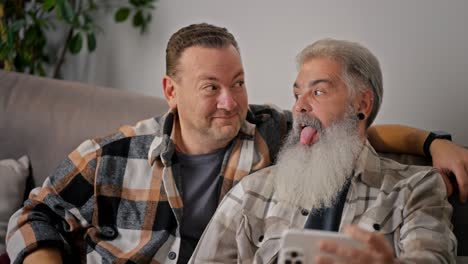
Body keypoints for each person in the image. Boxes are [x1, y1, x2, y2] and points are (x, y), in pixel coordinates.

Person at [6, 24, 464, 264]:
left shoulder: (269, 136)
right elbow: (35, 214)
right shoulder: (113, 155)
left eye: (239, 83)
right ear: (171, 91)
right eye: (211, 87)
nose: (231, 102)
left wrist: (433, 143)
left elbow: (351, 132)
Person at [189, 38, 457, 264]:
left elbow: (432, 257)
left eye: (317, 92)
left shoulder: (416, 188)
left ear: (362, 103)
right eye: (296, 95)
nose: (299, 107)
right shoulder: (252, 191)